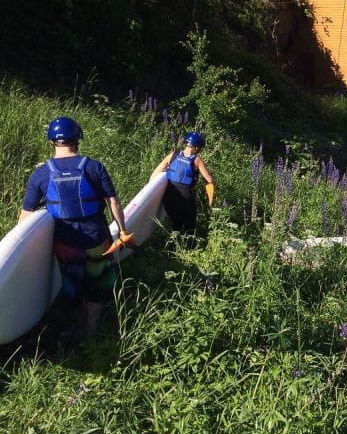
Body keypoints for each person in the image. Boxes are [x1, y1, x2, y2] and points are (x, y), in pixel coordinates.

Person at [19, 117, 133, 337]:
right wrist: (123, 230)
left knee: (72, 285)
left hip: (65, 244)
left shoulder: (41, 173)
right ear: (77, 138)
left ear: (51, 141)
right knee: (97, 286)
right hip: (97, 240)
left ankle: (76, 327)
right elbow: (114, 203)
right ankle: (91, 332)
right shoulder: (94, 167)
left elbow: (25, 216)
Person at [150, 131, 215, 237]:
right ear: (195, 147)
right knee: (190, 223)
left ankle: (172, 244)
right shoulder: (197, 160)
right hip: (186, 195)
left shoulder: (173, 155)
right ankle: (189, 245)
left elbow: (157, 172)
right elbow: (209, 179)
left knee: (176, 223)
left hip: (169, 193)